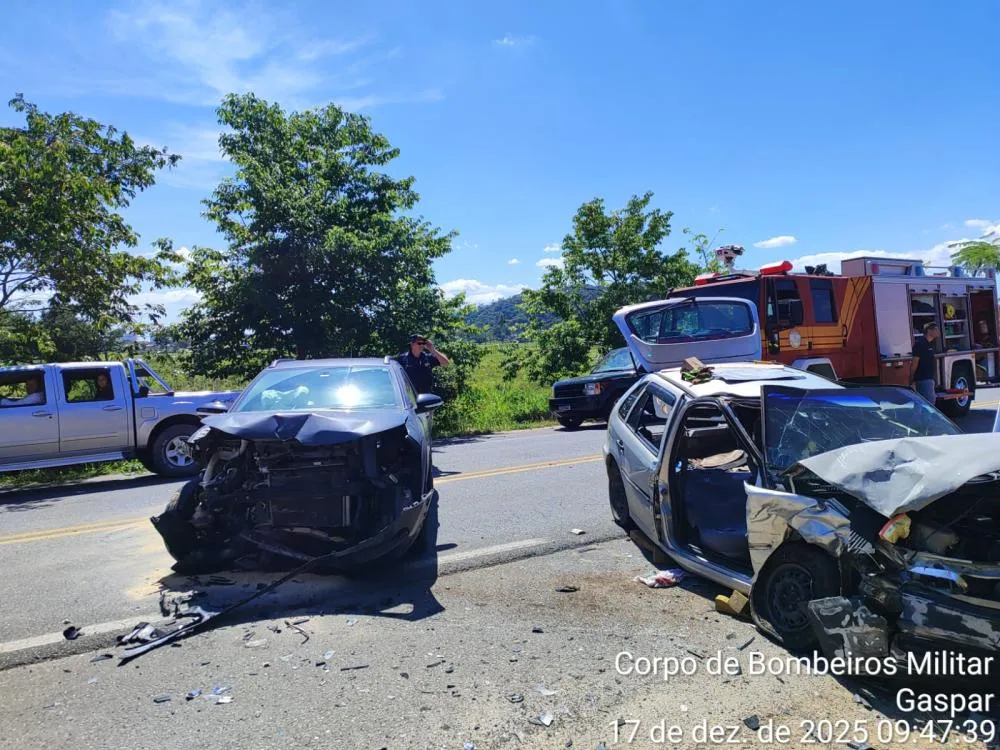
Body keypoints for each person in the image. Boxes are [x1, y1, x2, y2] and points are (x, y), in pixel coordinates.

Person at [911, 322, 939, 405]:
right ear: (929, 331)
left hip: (929, 379)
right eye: (935, 329)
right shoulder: (920, 344)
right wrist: (911, 378)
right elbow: (915, 362)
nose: (938, 331)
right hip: (923, 379)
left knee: (927, 403)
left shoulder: (929, 344)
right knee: (929, 404)